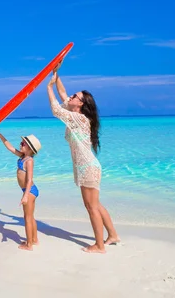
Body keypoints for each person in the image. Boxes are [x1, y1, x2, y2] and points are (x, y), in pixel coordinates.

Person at [46, 64, 120, 253]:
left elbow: (55, 109)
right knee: (94, 204)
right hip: (86, 166)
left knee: (91, 207)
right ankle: (112, 235)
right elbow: (62, 94)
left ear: (80, 104)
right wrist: (56, 74)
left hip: (88, 167)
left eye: (74, 97)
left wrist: (48, 87)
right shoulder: (74, 114)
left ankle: (100, 246)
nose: (70, 97)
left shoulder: (79, 119)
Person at [0, 128, 42, 251]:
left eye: (23, 143)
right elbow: (10, 147)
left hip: (29, 190)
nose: (20, 144)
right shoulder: (22, 156)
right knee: (30, 216)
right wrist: (0, 135)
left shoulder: (29, 161)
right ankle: (34, 239)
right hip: (28, 190)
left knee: (27, 217)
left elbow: (30, 179)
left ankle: (29, 244)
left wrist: (25, 195)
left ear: (30, 148)